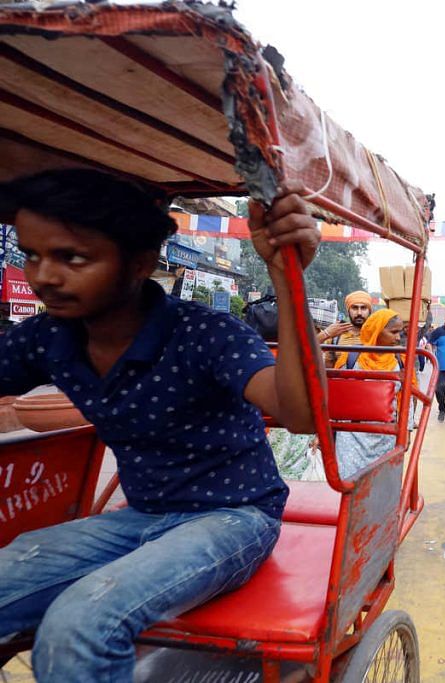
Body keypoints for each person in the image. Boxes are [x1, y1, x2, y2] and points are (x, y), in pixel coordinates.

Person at [0, 168, 321, 680]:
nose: (43, 277)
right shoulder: (46, 337)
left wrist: (288, 278)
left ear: (139, 264)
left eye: (72, 257)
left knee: (81, 625)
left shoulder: (205, 332)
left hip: (234, 518)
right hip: (139, 516)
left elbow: (299, 414)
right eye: (32, 255)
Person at [322, 309, 408, 480]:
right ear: (377, 330)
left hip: (386, 435)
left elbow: (406, 397)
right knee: (349, 484)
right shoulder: (351, 358)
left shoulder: (399, 359)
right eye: (393, 332)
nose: (398, 338)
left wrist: (407, 429)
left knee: (380, 485)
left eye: (400, 332)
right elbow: (337, 395)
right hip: (352, 436)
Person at [332, 290, 373, 369]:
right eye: (355, 308)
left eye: (363, 308)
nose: (359, 313)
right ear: (348, 311)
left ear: (370, 311)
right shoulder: (336, 335)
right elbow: (328, 369)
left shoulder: (378, 335)